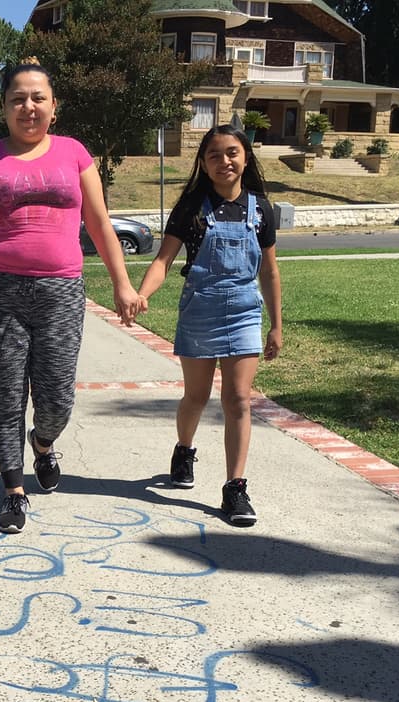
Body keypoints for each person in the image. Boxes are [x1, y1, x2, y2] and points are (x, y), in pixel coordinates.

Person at [0, 58, 143, 534]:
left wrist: (122, 283)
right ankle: (13, 492)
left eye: (37, 98)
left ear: (54, 107)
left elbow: (99, 224)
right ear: (4, 107)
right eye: (17, 99)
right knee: (7, 395)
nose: (27, 107)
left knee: (56, 398)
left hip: (60, 290)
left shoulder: (74, 153)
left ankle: (44, 444)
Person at [133, 124, 283, 527]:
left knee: (238, 400)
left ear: (246, 158)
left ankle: (235, 488)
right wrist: (142, 293)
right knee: (196, 397)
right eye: (214, 155)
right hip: (200, 309)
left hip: (245, 312)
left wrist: (276, 325)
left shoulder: (262, 209)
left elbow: (269, 272)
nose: (224, 161)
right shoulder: (191, 207)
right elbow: (164, 261)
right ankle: (184, 449)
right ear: (203, 162)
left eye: (232, 153)